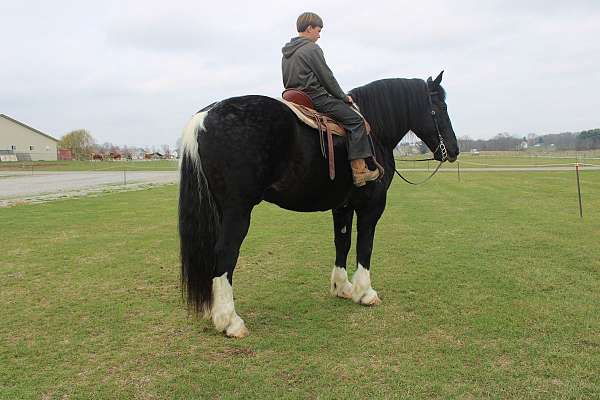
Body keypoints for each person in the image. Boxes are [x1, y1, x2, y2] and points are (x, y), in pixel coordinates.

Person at [281, 12, 380, 187]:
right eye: (318, 30)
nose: (319, 35)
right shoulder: (312, 48)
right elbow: (327, 78)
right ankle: (360, 172)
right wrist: (343, 97)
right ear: (309, 28)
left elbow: (286, 80)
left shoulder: (287, 53)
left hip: (294, 98)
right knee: (356, 121)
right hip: (316, 98)